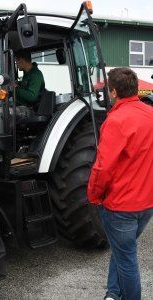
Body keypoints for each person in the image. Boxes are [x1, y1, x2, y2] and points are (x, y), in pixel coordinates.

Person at [87, 67, 153, 300]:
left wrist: (93, 196)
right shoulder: (151, 114)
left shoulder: (115, 120)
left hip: (121, 206)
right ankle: (113, 294)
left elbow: (103, 167)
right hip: (146, 204)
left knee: (126, 260)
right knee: (122, 249)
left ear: (113, 92)